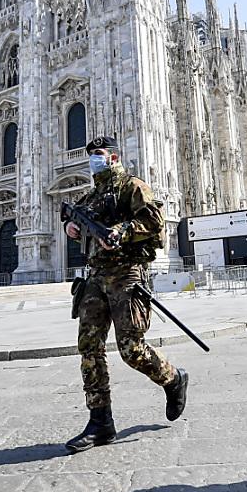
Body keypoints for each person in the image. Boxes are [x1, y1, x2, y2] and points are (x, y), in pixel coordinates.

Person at [63, 135, 189, 453]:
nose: (94, 159)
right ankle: (100, 422)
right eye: (91, 154)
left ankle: (173, 378)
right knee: (89, 348)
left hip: (126, 275)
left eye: (99, 153)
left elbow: (154, 222)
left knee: (131, 349)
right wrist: (71, 228)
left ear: (114, 157)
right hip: (95, 278)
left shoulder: (132, 187)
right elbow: (75, 221)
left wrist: (121, 231)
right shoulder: (90, 196)